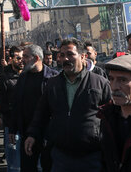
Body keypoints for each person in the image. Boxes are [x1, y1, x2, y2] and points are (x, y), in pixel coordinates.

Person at [25, 38, 111, 172]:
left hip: (92, 156)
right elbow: (41, 113)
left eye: (70, 54)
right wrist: (32, 135)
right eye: (62, 55)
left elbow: (112, 116)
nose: (65, 59)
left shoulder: (100, 83)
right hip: (61, 156)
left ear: (83, 56)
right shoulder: (53, 84)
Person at [9, 45, 57, 172]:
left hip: (48, 134)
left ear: (36, 58)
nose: (22, 60)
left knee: (49, 166)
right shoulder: (23, 78)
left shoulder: (54, 77)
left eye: (25, 56)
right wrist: (12, 128)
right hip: (27, 132)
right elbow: (16, 104)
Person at [0, 45, 23, 172]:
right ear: (11, 59)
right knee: (14, 163)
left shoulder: (30, 76)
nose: (21, 60)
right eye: (18, 58)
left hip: (29, 126)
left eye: (23, 57)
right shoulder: (4, 79)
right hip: (12, 125)